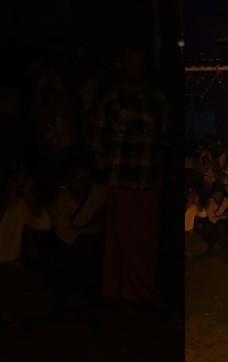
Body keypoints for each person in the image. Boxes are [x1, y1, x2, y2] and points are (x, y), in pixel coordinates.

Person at [89, 45, 168, 303]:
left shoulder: (157, 98)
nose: (135, 69)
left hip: (148, 178)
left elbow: (164, 136)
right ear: (122, 66)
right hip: (120, 178)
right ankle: (118, 289)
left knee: (145, 240)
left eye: (139, 63)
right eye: (130, 63)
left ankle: (141, 290)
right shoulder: (111, 97)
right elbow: (97, 140)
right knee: (120, 236)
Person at [48, 154, 107, 299]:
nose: (81, 183)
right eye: (76, 178)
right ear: (68, 179)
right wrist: (91, 229)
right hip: (71, 246)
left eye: (85, 178)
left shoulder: (100, 192)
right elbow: (64, 234)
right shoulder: (61, 199)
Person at [0, 164, 52, 264]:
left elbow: (45, 224)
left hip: (11, 263)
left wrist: (27, 193)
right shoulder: (8, 200)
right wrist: (8, 195)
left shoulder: (18, 204)